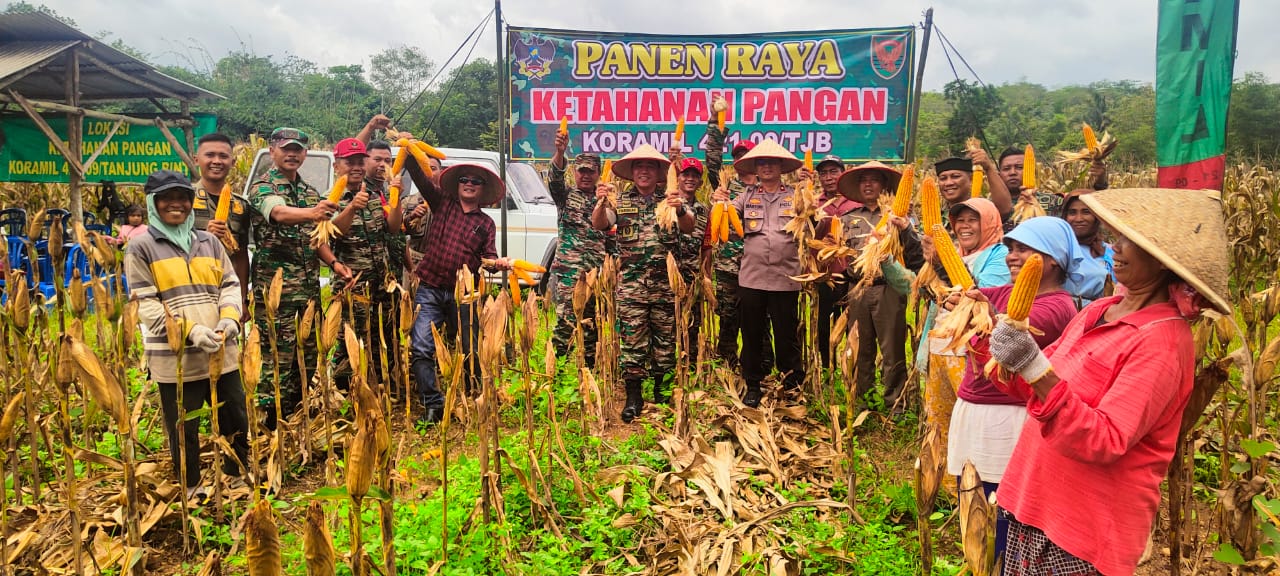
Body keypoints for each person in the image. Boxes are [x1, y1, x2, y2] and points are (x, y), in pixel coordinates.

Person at [988, 188, 1229, 575]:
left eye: (1129, 240)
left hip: (1082, 530)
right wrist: (994, 351)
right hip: (1033, 499)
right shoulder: (1100, 309)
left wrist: (1032, 365)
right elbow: (1039, 390)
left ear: (1164, 259)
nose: (1115, 247)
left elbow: (1105, 439)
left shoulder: (1164, 342)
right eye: (1117, 236)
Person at [944, 216, 1084, 559]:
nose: (1011, 256)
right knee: (973, 499)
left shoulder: (1057, 306)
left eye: (1023, 249)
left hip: (1009, 418)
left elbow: (1005, 342)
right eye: (1010, 248)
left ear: (1052, 258)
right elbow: (970, 300)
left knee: (1002, 506)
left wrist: (977, 314)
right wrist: (959, 300)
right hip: (974, 409)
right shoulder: (1008, 291)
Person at [123, 170, 250, 502]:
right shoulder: (141, 247)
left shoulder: (208, 241)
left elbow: (230, 285)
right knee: (184, 427)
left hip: (222, 351)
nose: (176, 204)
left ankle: (237, 474)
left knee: (235, 414)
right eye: (167, 198)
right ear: (153, 203)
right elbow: (145, 305)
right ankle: (192, 486)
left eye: (182, 197)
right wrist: (190, 331)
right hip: (175, 357)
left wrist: (230, 319)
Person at [248, 127, 352, 427]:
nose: (292, 154)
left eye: (298, 149)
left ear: (305, 154)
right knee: (275, 359)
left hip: (306, 292)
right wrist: (313, 213)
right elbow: (278, 214)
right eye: (285, 148)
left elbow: (316, 239)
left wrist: (334, 264)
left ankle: (296, 419)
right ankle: (268, 423)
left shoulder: (308, 192)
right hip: (275, 295)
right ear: (273, 152)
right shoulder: (262, 187)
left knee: (305, 357)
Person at [403, 158, 512, 424]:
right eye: (465, 180)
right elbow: (421, 177)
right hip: (429, 288)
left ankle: (468, 399)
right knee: (421, 347)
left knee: (470, 350)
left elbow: (488, 258)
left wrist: (498, 265)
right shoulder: (442, 203)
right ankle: (433, 404)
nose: (469, 184)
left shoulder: (486, 224)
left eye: (476, 182)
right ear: (457, 185)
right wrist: (408, 153)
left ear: (483, 190)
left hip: (464, 295)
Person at [593, 144, 695, 422]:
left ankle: (662, 391)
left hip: (665, 285)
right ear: (633, 173)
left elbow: (689, 226)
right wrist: (601, 203)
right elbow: (600, 224)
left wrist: (681, 209)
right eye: (639, 167)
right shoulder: (622, 202)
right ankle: (633, 395)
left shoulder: (670, 199)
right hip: (631, 287)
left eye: (650, 167)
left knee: (665, 341)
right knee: (633, 343)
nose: (644, 171)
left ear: (658, 173)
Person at [917, 197, 1010, 491]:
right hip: (941, 347)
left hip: (969, 352)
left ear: (990, 222)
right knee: (939, 419)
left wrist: (941, 264)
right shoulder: (952, 252)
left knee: (966, 420)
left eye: (973, 219)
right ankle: (945, 485)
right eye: (959, 220)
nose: (965, 226)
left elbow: (979, 296)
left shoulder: (1000, 255)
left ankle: (973, 484)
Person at [712, 139, 806, 407]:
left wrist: (809, 199)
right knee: (751, 333)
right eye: (762, 163)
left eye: (772, 162)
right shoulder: (747, 197)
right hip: (752, 278)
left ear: (781, 167)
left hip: (786, 278)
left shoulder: (795, 196)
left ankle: (791, 384)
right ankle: (753, 384)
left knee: (786, 334)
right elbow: (726, 226)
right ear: (756, 167)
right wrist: (720, 203)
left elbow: (811, 226)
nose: (766, 167)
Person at [833, 162, 924, 412]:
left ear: (884, 185)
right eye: (864, 180)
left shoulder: (901, 217)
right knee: (860, 347)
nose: (868, 184)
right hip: (858, 288)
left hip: (889, 289)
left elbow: (915, 251)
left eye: (874, 180)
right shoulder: (848, 218)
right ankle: (862, 401)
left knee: (892, 348)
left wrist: (904, 227)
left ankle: (896, 404)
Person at [703, 99, 772, 370]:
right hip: (729, 268)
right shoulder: (724, 187)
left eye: (747, 156)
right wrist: (714, 123)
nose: (741, 161)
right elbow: (712, 158)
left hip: (759, 268)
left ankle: (762, 364)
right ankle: (727, 362)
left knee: (760, 318)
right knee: (728, 317)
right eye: (738, 156)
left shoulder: (768, 188)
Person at [330, 137, 404, 390]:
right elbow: (329, 235)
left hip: (382, 282)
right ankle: (344, 391)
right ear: (336, 165)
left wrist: (396, 197)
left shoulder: (375, 195)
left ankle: (379, 387)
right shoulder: (330, 199)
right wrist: (351, 208)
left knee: (383, 335)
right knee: (349, 338)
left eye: (360, 161)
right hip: (352, 285)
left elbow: (393, 228)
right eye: (349, 162)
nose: (356, 167)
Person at [547, 131, 611, 367]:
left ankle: (590, 372)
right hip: (568, 273)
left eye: (590, 171)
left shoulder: (606, 200)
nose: (585, 175)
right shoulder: (565, 197)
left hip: (595, 274)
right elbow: (554, 179)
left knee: (592, 323)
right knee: (565, 322)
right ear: (575, 172)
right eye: (581, 170)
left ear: (598, 173)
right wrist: (561, 152)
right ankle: (557, 370)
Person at [190, 133, 251, 315]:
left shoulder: (241, 206)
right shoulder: (182, 199)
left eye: (223, 156)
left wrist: (242, 299)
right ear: (196, 160)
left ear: (233, 162)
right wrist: (204, 238)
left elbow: (241, 256)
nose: (216, 161)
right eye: (210, 155)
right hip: (192, 290)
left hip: (228, 293)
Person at [811, 154, 855, 370]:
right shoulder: (813, 204)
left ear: (843, 173)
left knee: (850, 325)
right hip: (824, 275)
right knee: (823, 326)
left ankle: (850, 369)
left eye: (833, 172)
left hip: (852, 275)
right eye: (823, 173)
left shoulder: (856, 202)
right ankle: (827, 368)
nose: (828, 177)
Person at [1060, 189, 1116, 297]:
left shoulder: (1111, 252)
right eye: (1072, 212)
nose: (1079, 219)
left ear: (1097, 216)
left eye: (1086, 212)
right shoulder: (1057, 250)